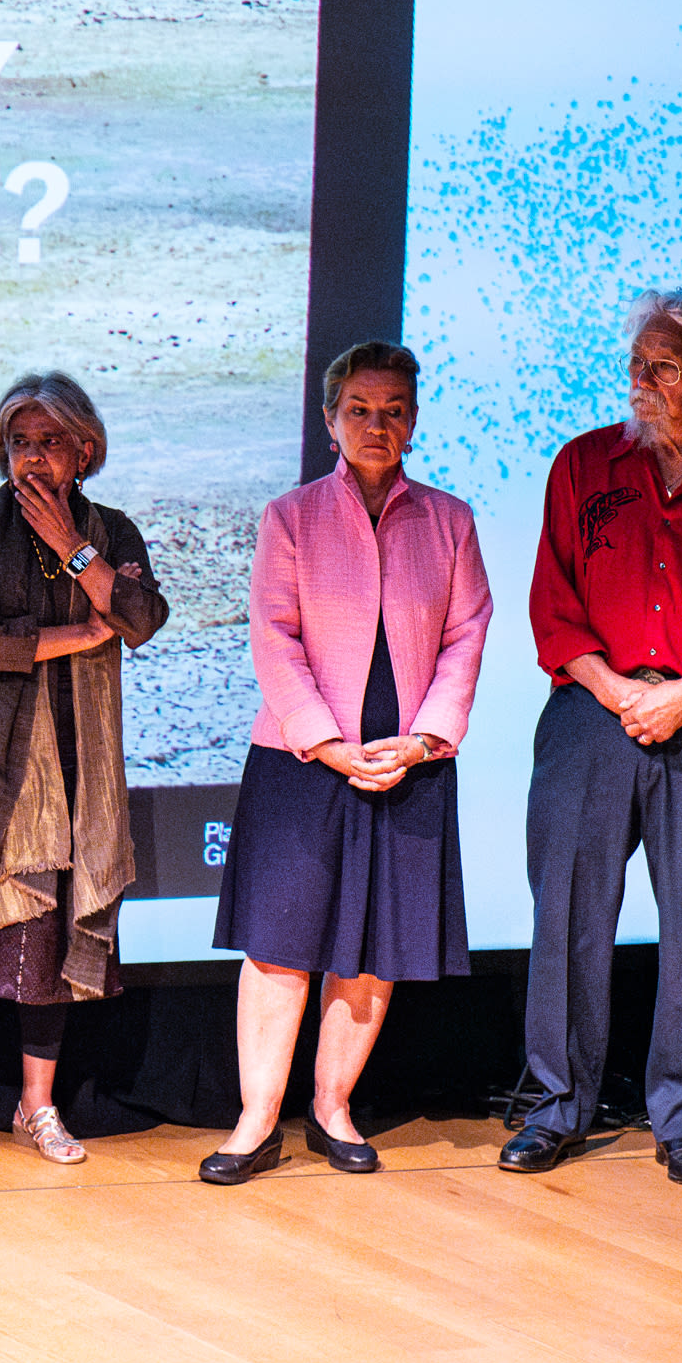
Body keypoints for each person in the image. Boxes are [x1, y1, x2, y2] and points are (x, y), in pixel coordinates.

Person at [503, 290, 682, 1188]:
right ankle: (555, 1107)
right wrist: (619, 687)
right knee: (568, 920)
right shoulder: (585, 466)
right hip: (595, 714)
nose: (642, 384)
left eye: (662, 369)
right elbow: (554, 602)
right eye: (636, 367)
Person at [201, 343, 492, 1184]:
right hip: (302, 760)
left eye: (394, 408)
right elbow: (273, 636)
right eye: (360, 408)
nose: (378, 423)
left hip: (409, 761)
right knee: (280, 945)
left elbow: (466, 637)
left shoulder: (450, 520)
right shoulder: (290, 517)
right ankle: (256, 1121)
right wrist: (326, 742)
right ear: (330, 421)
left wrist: (427, 738)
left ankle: (332, 1108)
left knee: (371, 947)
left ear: (413, 420)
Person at [0, 372, 167, 1168]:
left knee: (56, 927)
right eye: (19, 442)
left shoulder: (110, 530)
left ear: (84, 450)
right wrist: (87, 633)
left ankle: (36, 1104)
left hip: (81, 754)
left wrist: (72, 550)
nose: (31, 458)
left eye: (49, 441)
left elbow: (144, 617)